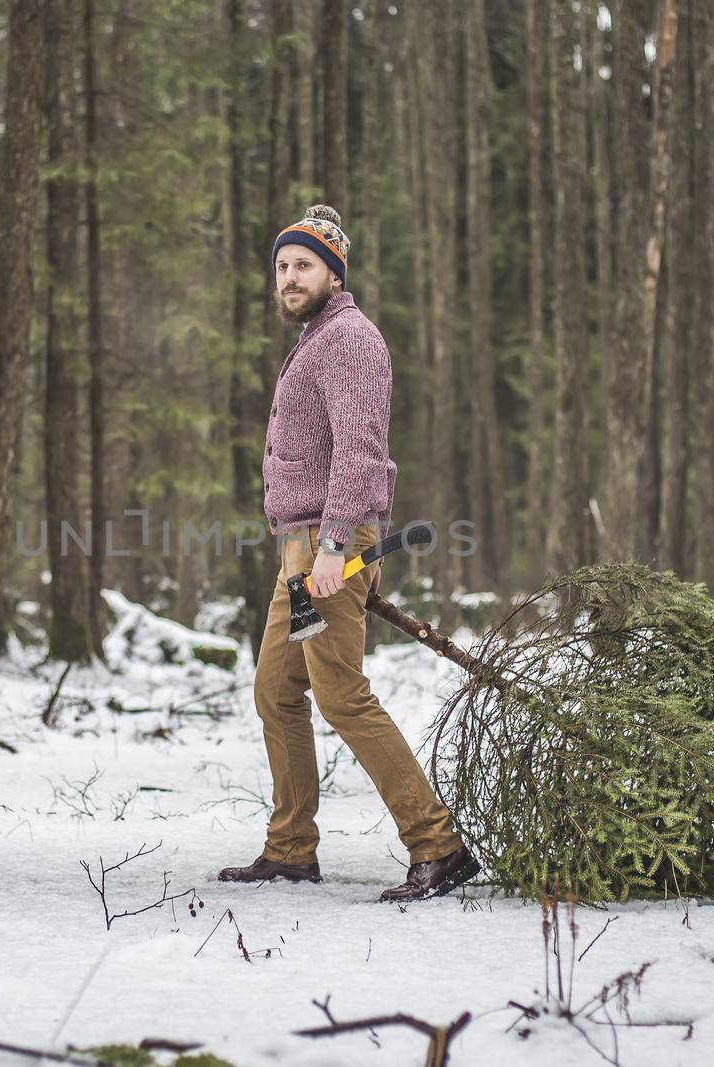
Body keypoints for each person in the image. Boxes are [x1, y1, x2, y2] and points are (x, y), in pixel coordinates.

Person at [216, 204, 479, 903]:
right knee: (276, 690)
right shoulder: (317, 338)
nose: (289, 277)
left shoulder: (352, 340)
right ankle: (290, 849)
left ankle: (438, 844)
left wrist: (334, 544)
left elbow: (361, 453)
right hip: (299, 549)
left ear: (335, 272)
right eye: (282, 266)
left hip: (330, 545)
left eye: (303, 265)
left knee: (342, 695)